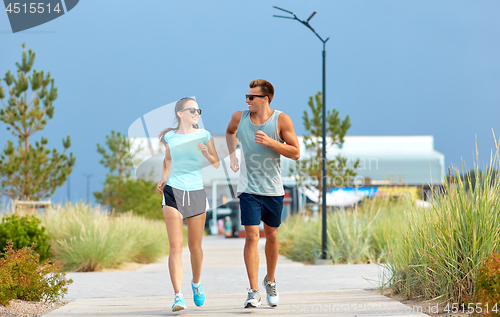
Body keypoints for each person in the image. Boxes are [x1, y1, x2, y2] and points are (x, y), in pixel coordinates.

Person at [225, 79, 300, 308]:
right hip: (248, 188)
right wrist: (233, 155)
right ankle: (253, 290)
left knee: (272, 236)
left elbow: (295, 152)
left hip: (273, 189)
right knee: (251, 236)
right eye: (246, 97)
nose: (246, 100)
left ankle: (271, 280)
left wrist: (270, 142)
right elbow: (229, 132)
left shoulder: (281, 120)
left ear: (264, 99)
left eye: (251, 97)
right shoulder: (240, 118)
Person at [156, 97, 220, 312]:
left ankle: (196, 284)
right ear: (180, 113)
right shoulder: (170, 137)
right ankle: (178, 296)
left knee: (195, 248)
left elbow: (217, 163)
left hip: (196, 193)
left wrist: (205, 152)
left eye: (198, 110)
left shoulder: (204, 134)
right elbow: (168, 160)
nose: (196, 113)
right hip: (173, 192)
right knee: (175, 247)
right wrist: (164, 177)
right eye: (191, 110)